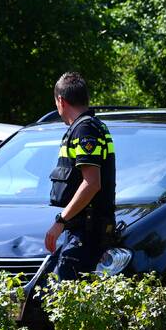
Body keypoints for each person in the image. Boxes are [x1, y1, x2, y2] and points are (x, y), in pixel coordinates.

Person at [43, 72, 116, 279]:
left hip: (87, 232)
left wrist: (61, 221)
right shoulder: (88, 127)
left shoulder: (85, 130)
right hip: (84, 230)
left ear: (61, 100)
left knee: (60, 297)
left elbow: (91, 183)